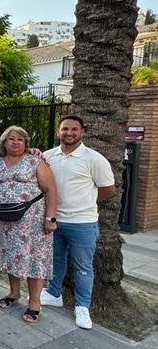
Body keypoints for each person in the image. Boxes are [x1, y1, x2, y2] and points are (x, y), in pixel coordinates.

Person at [41, 115, 115, 329]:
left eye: (74, 129)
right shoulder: (48, 156)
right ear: (58, 131)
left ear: (82, 132)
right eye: (65, 129)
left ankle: (82, 306)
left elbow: (108, 189)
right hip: (54, 220)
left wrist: (86, 202)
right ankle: (54, 293)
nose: (69, 133)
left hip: (83, 223)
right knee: (56, 260)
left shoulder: (94, 159)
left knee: (83, 266)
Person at [0, 126, 57, 323]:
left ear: (26, 144)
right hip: (7, 223)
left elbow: (50, 189)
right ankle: (14, 293)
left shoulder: (35, 160)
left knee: (34, 258)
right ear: (4, 143)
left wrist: (50, 218)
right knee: (12, 256)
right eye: (11, 139)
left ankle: (34, 302)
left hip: (32, 222)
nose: (15, 142)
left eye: (20, 139)